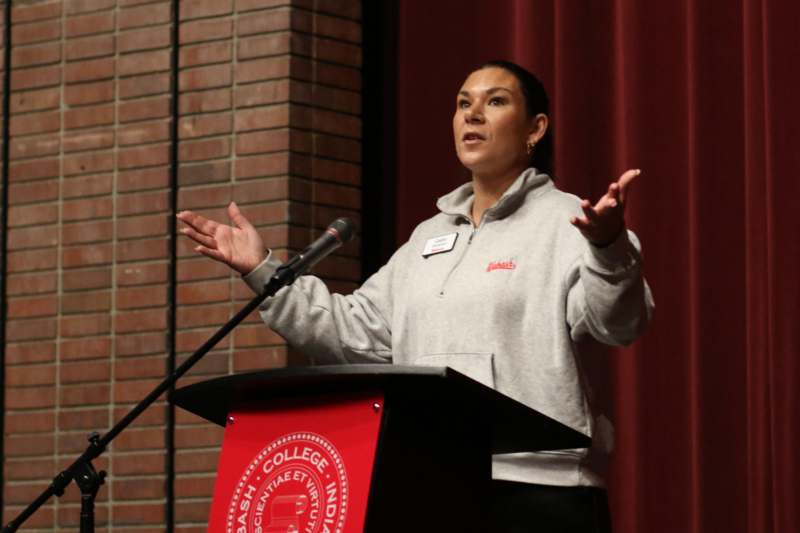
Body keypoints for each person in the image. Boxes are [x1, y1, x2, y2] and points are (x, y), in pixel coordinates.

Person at [178, 60, 654, 533]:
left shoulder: (570, 221)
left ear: (535, 128)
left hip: (538, 494)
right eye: (463, 103)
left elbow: (620, 322)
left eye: (495, 101)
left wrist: (609, 247)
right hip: (428, 483)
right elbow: (352, 333)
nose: (472, 114)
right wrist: (262, 269)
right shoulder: (427, 237)